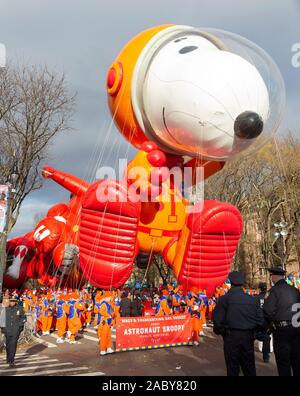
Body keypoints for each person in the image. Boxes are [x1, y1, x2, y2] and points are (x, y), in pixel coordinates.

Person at [213, 271, 264, 376]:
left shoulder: (224, 299)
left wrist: (221, 332)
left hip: (231, 336)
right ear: (242, 283)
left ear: (231, 282)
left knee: (232, 368)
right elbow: (260, 319)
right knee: (249, 367)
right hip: (248, 336)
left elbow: (217, 321)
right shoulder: (251, 299)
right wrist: (255, 332)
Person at [263, 266, 300, 376]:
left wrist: (269, 326)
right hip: (296, 328)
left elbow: (267, 311)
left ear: (273, 277)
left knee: (283, 362)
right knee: (297, 361)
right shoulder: (294, 290)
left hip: (282, 331)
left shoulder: (274, 291)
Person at [0, 296, 26, 367]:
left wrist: (19, 326)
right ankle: (8, 359)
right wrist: (3, 329)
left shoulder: (20, 309)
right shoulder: (5, 309)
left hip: (15, 330)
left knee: (13, 345)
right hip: (7, 330)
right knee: (8, 345)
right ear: (9, 301)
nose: (12, 302)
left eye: (14, 301)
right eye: (11, 301)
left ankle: (11, 361)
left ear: (16, 302)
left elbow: (24, 318)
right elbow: (1, 319)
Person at [256, 282, 272, 363]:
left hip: (258, 321)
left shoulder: (256, 297)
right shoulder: (269, 297)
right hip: (267, 321)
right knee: (266, 337)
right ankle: (266, 356)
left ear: (259, 289)